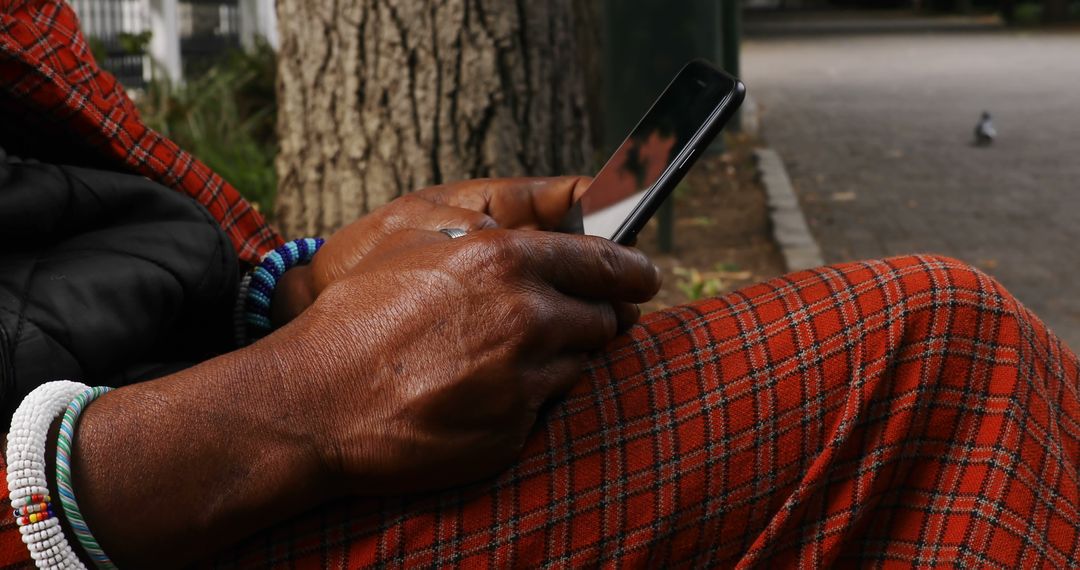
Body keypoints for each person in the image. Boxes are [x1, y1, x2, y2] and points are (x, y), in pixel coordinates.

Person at [1, 2, 1077, 568]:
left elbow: (62, 250)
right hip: (137, 515)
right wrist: (287, 407)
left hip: (173, 416)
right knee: (943, 356)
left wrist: (298, 285)